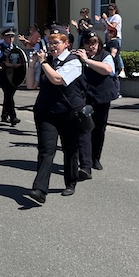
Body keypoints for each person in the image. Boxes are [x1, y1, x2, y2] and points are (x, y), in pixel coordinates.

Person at [23, 29, 87, 205]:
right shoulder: (46, 61)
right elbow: (31, 85)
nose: (52, 47)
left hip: (69, 113)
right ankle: (40, 189)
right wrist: (32, 64)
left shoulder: (74, 62)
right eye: (50, 43)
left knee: (70, 149)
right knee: (46, 150)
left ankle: (71, 182)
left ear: (66, 44)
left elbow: (58, 79)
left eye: (56, 43)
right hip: (46, 112)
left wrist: (43, 63)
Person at [75, 31, 119, 173]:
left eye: (94, 43)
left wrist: (87, 60)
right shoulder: (77, 57)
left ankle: (95, 158)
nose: (91, 47)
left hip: (101, 97)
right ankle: (85, 162)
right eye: (88, 44)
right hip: (84, 98)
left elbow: (108, 70)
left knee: (99, 129)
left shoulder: (105, 56)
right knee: (84, 129)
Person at [0, 28, 26, 126]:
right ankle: (13, 117)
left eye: (12, 36)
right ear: (4, 37)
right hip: (3, 74)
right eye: (8, 36)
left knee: (8, 95)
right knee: (9, 95)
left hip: (14, 75)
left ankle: (4, 114)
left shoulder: (16, 48)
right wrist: (1, 65)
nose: (10, 38)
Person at [96, 3, 124, 77]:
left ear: (115, 9)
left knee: (116, 53)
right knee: (107, 52)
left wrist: (105, 20)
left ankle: (122, 70)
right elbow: (104, 29)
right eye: (109, 9)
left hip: (115, 37)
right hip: (108, 37)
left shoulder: (116, 17)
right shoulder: (108, 18)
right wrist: (100, 21)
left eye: (111, 9)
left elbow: (113, 27)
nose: (110, 11)